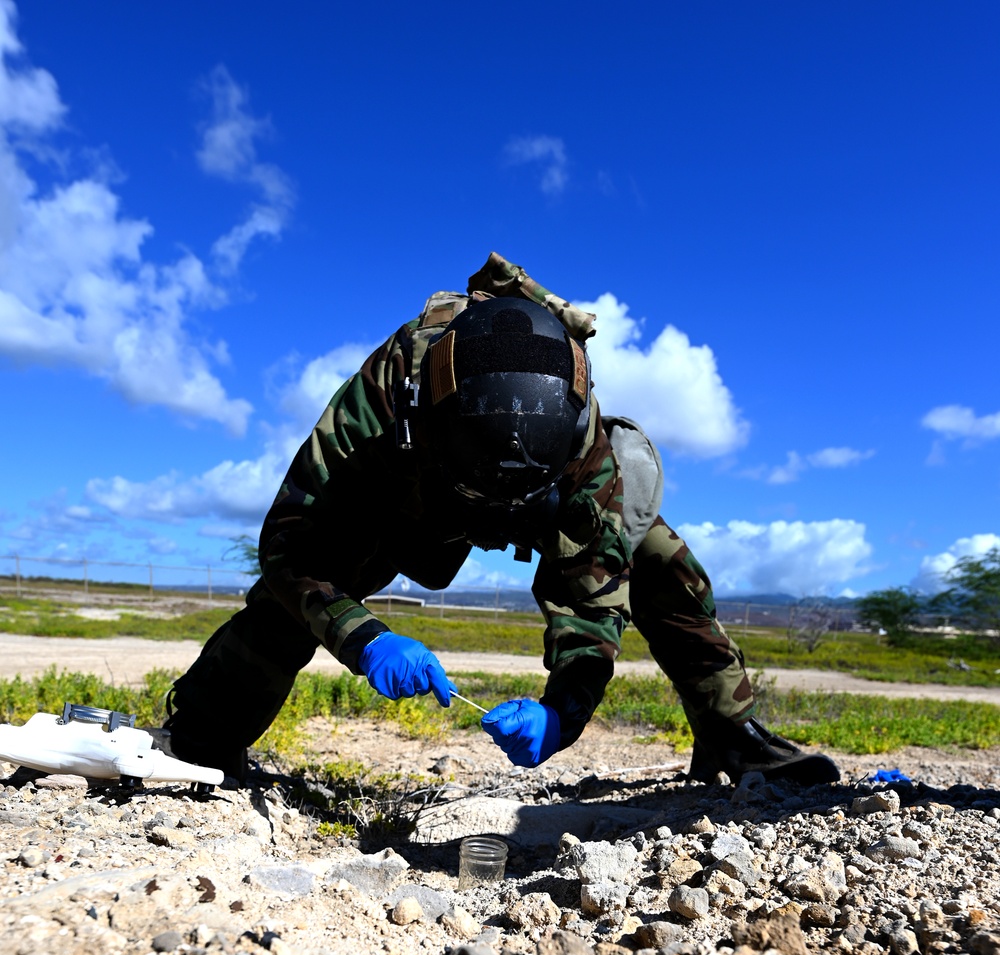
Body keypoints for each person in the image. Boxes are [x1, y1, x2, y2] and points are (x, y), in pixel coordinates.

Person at [163, 253, 838, 788]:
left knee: (658, 557)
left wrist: (561, 715)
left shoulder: (586, 448)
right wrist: (364, 637)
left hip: (543, 498)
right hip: (411, 502)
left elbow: (591, 602)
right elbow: (289, 543)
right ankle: (200, 739)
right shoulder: (386, 396)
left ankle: (733, 736)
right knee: (304, 590)